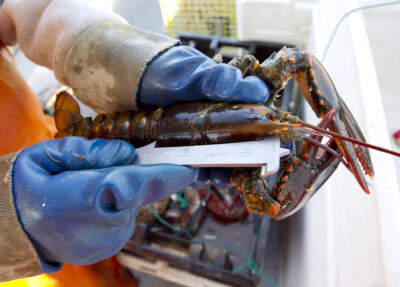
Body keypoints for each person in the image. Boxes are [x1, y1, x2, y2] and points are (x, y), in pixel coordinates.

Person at [0, 0, 270, 285]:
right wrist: (9, 226)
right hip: (18, 264)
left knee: (103, 230)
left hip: (43, 138)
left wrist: (94, 41)